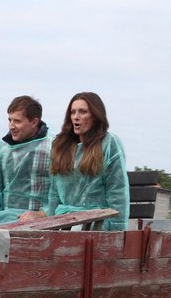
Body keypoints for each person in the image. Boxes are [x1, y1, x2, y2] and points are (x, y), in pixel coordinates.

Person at [48, 92, 129, 231]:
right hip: (62, 220)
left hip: (95, 222)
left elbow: (118, 191)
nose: (76, 117)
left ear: (96, 116)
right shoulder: (60, 145)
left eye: (83, 112)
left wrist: (118, 231)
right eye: (72, 112)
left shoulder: (109, 143)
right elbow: (54, 192)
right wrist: (49, 225)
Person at [0, 95, 51, 229]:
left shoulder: (53, 147)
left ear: (34, 122)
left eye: (17, 121)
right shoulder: (1, 149)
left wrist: (43, 213)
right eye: (9, 120)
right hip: (5, 219)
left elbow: (59, 195)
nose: (11, 126)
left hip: (46, 223)